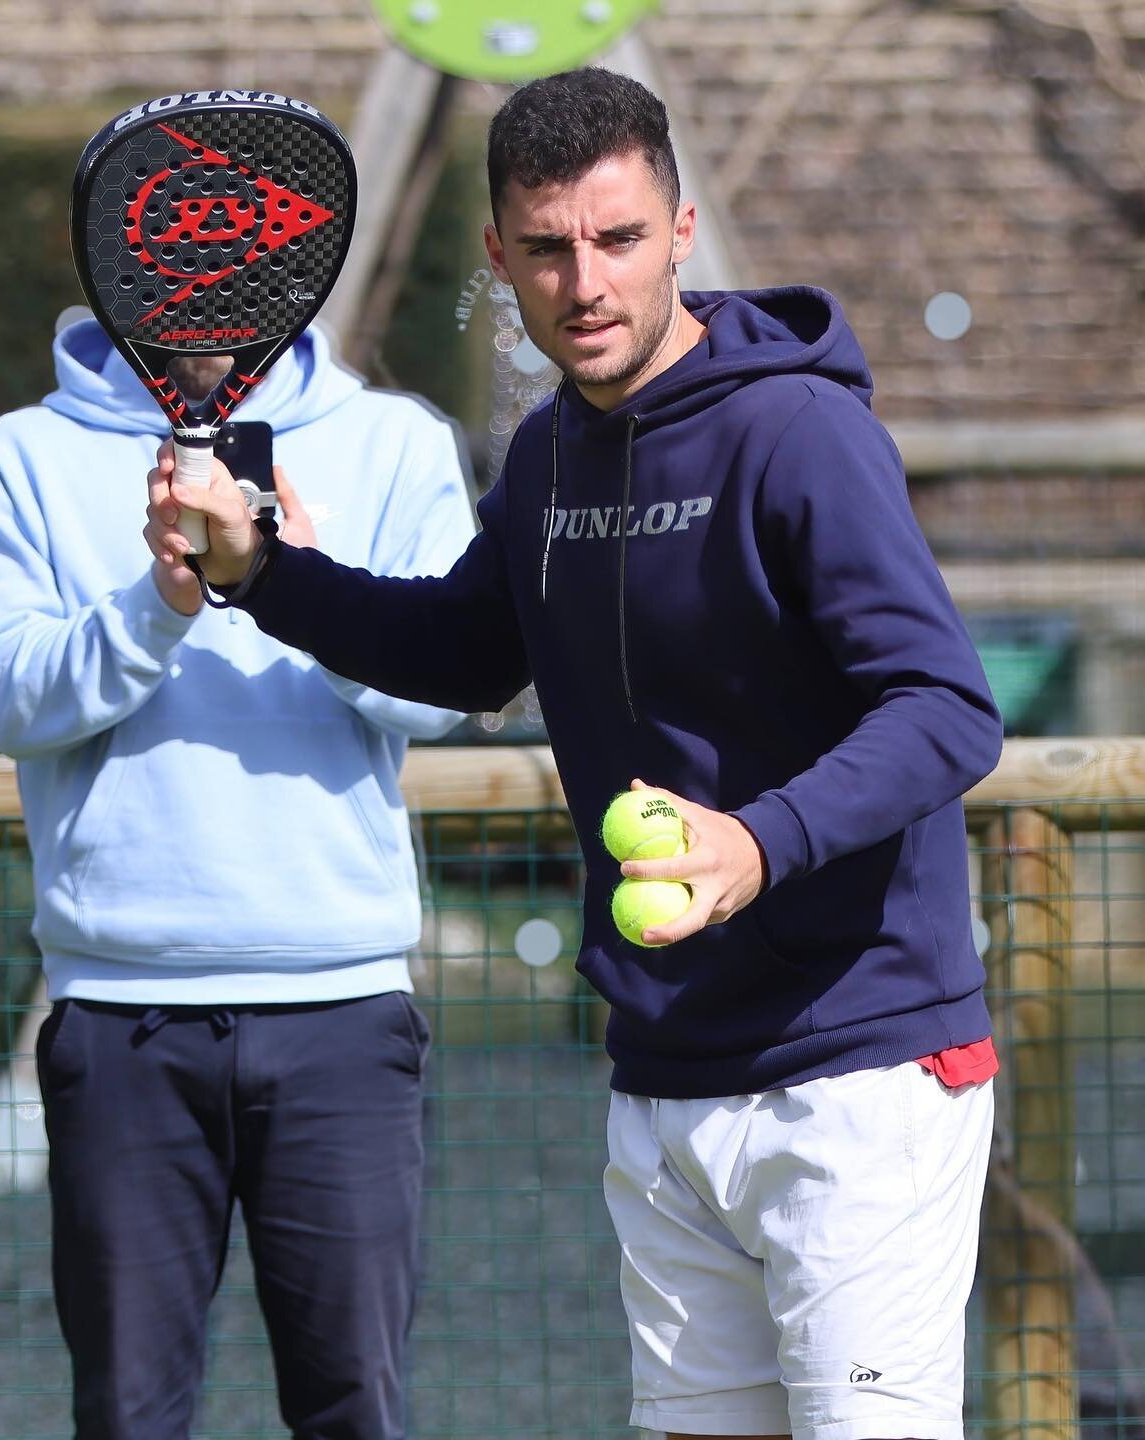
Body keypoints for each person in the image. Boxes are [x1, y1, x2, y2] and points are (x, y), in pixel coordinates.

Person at [146, 67, 1004, 1440]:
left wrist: (756, 844)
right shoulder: (548, 458)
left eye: (615, 239)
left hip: (860, 1076)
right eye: (546, 248)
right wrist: (265, 575)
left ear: (681, 229)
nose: (582, 281)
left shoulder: (802, 435)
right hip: (665, 1084)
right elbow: (468, 650)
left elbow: (947, 708)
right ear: (500, 257)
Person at [0, 314, 476, 1440]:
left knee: (355, 1414)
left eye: (239, 250)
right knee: (130, 1418)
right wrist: (163, 601)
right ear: (124, 261)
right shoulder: (23, 453)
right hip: (119, 1018)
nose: (206, 285)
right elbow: (10, 700)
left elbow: (443, 689)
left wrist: (292, 580)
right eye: (172, 251)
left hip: (343, 1011)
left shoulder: (395, 441)